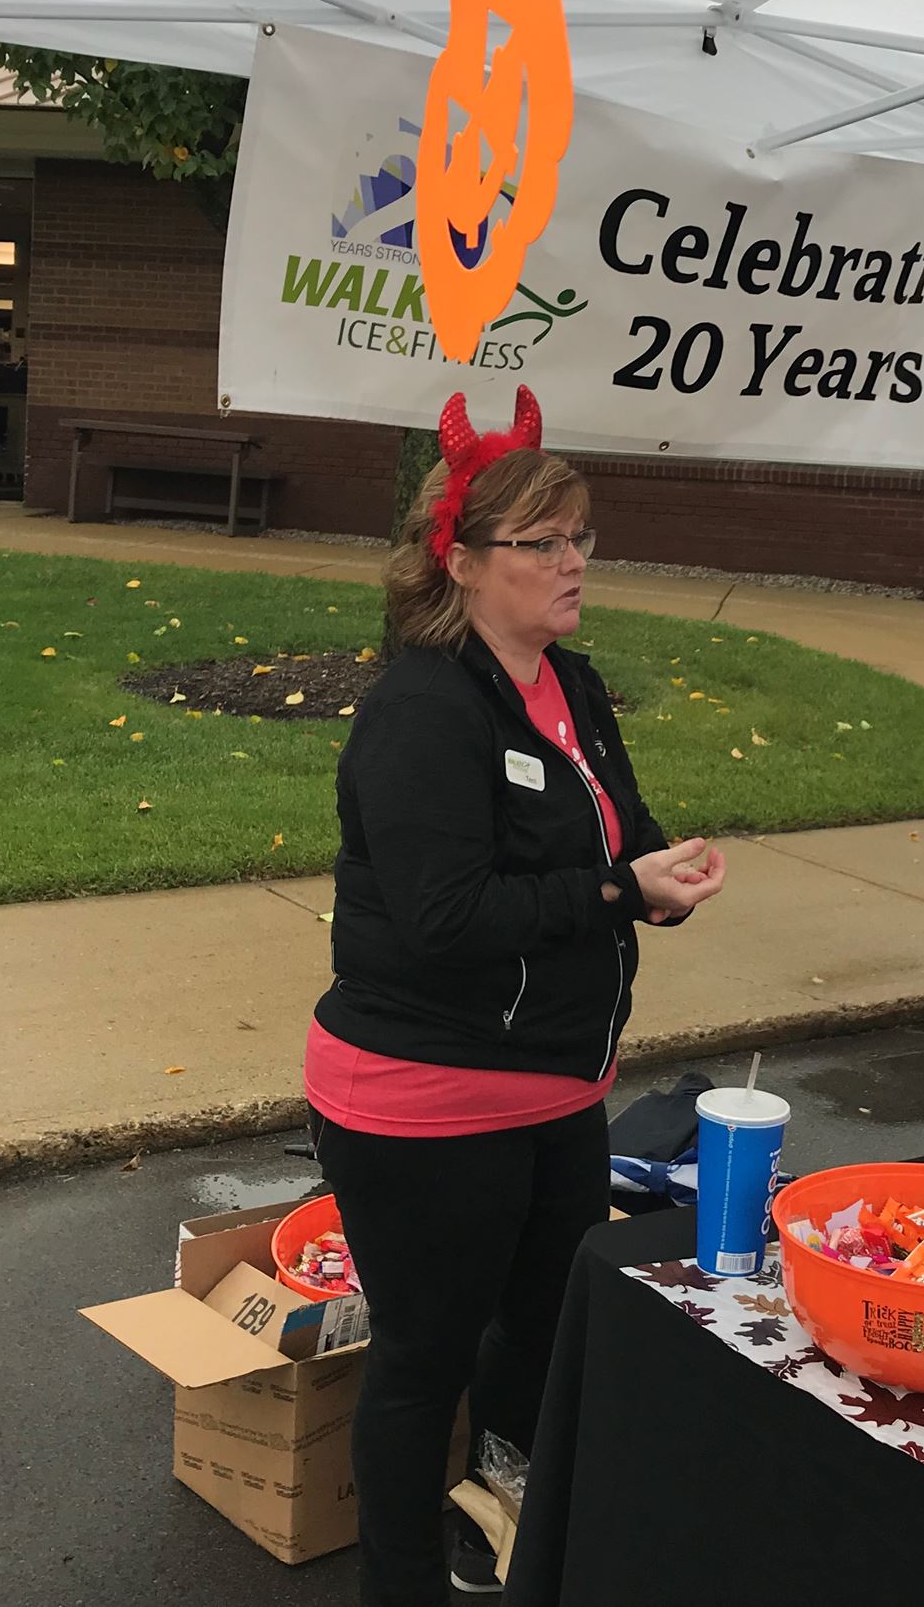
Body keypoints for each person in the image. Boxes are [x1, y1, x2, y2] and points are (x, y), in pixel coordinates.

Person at [308, 387, 724, 1605]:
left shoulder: (570, 685)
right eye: (541, 543)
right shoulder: (420, 709)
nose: (572, 562)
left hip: (555, 1082)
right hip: (423, 1095)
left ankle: (494, 1509)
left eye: (579, 536)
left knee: (543, 1320)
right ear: (462, 561)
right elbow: (443, 920)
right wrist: (608, 893)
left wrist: (661, 879)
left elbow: (620, 833)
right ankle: (399, 1579)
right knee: (422, 1355)